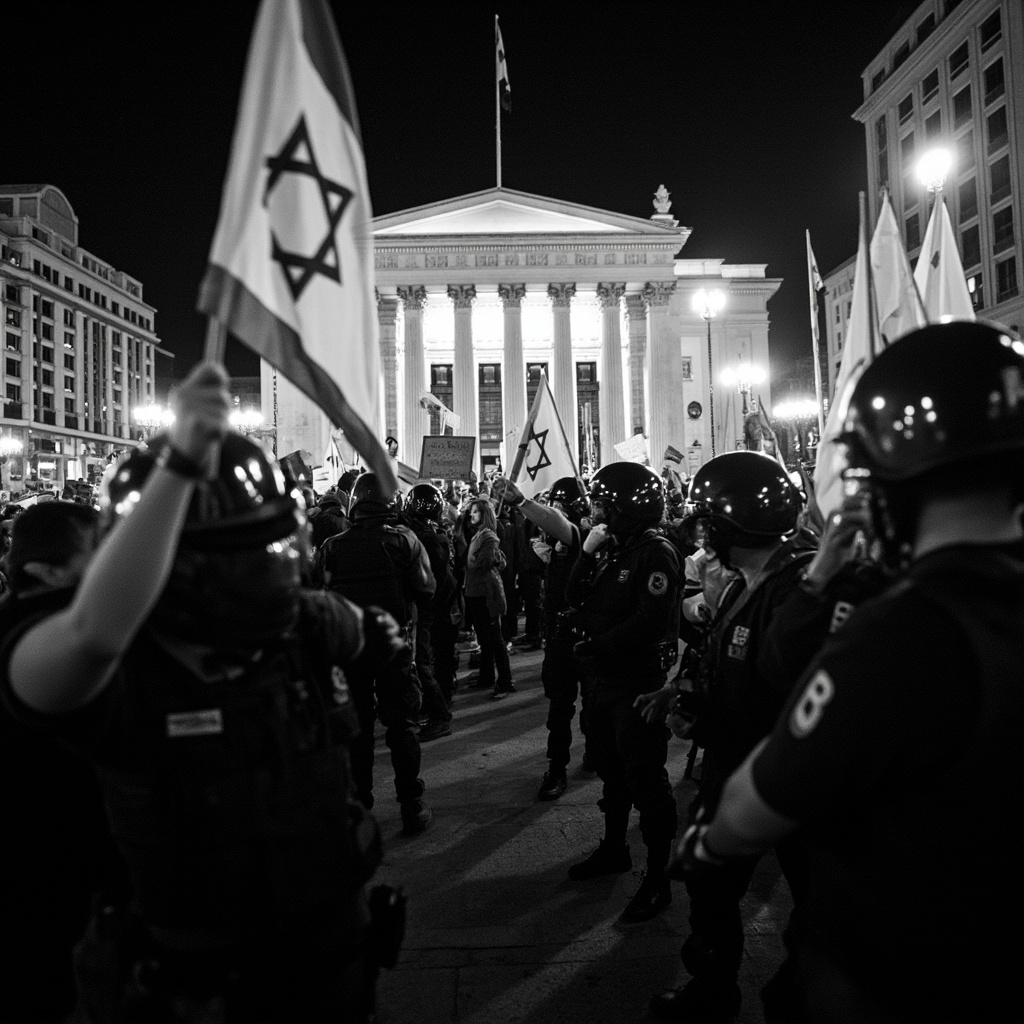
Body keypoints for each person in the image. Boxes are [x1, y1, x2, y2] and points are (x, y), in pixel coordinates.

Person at [0, 363, 398, 1023]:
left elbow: (371, 635)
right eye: (246, 556)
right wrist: (180, 467)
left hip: (332, 964)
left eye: (276, 548)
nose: (276, 572)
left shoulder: (308, 626)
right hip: (198, 988)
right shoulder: (119, 672)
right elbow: (93, 635)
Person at [675, 321, 1024, 1022]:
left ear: (890, 476)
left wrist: (709, 843)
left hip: (912, 972)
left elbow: (764, 796)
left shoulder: (905, 631)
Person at [639, 451, 813, 1021]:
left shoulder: (803, 589)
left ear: (730, 525)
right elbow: (728, 662)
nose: (701, 533)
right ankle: (712, 988)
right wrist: (687, 696)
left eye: (708, 521)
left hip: (782, 775)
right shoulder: (747, 582)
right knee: (711, 889)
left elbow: (786, 682)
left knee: (816, 899)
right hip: (734, 762)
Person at [0, 501, 126, 1024]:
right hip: (45, 859)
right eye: (92, 552)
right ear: (45, 572)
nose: (109, 563)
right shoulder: (43, 635)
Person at [565, 463, 681, 923]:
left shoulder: (656, 553)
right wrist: (586, 552)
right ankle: (614, 849)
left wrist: (597, 645)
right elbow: (574, 597)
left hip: (636, 685)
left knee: (646, 781)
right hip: (602, 682)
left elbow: (650, 619)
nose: (596, 514)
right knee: (611, 772)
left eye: (603, 506)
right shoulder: (614, 548)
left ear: (627, 509)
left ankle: (658, 877)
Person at [315, 470, 439, 835]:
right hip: (394, 647)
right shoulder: (405, 540)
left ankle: (360, 807)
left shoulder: (332, 546)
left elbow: (316, 593)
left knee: (358, 729)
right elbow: (427, 588)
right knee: (401, 726)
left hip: (350, 650)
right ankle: (411, 804)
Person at [492, 474, 591, 800]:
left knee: (593, 706)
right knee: (559, 709)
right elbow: (531, 572)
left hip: (587, 636)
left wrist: (522, 501)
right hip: (560, 636)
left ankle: (594, 752)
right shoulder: (553, 543)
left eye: (559, 506)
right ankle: (557, 767)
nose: (552, 512)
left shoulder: (585, 536)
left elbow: (558, 523)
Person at [404, 483, 458, 737]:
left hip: (422, 611)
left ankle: (440, 715)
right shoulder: (424, 536)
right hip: (424, 611)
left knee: (422, 664)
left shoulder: (424, 539)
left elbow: (439, 582)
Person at [463, 497, 515, 699]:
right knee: (484, 638)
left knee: (495, 639)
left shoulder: (489, 537)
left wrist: (473, 559)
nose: (471, 514)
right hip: (476, 591)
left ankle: (505, 680)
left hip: (487, 593)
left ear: (484, 515)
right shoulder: (478, 535)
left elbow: (481, 563)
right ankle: (487, 677)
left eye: (475, 511)